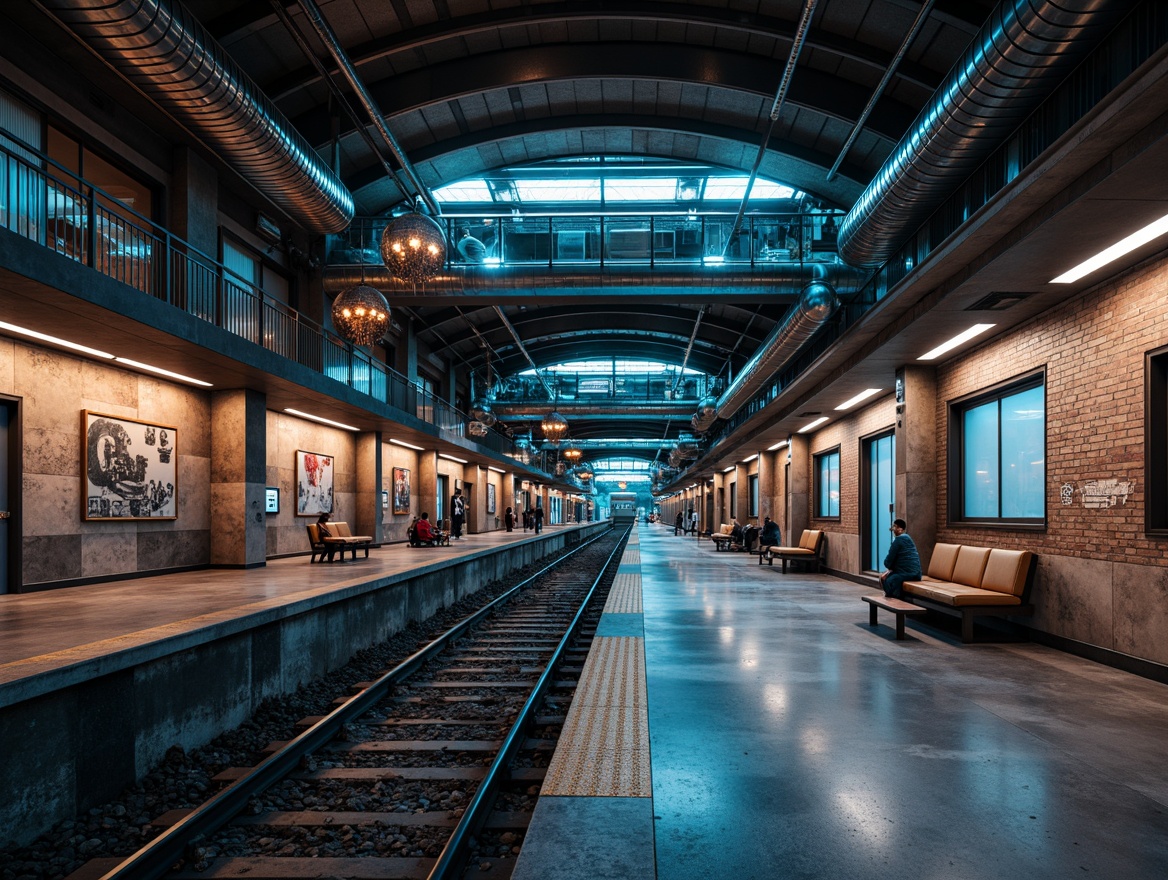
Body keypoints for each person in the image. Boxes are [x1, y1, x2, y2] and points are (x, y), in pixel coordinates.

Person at [880, 518, 922, 598]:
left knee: (885, 578)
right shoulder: (909, 539)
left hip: (907, 574)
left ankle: (893, 599)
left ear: (900, 529)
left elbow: (888, 562)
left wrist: (890, 568)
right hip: (917, 574)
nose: (893, 529)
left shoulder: (898, 541)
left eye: (895, 527)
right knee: (890, 576)